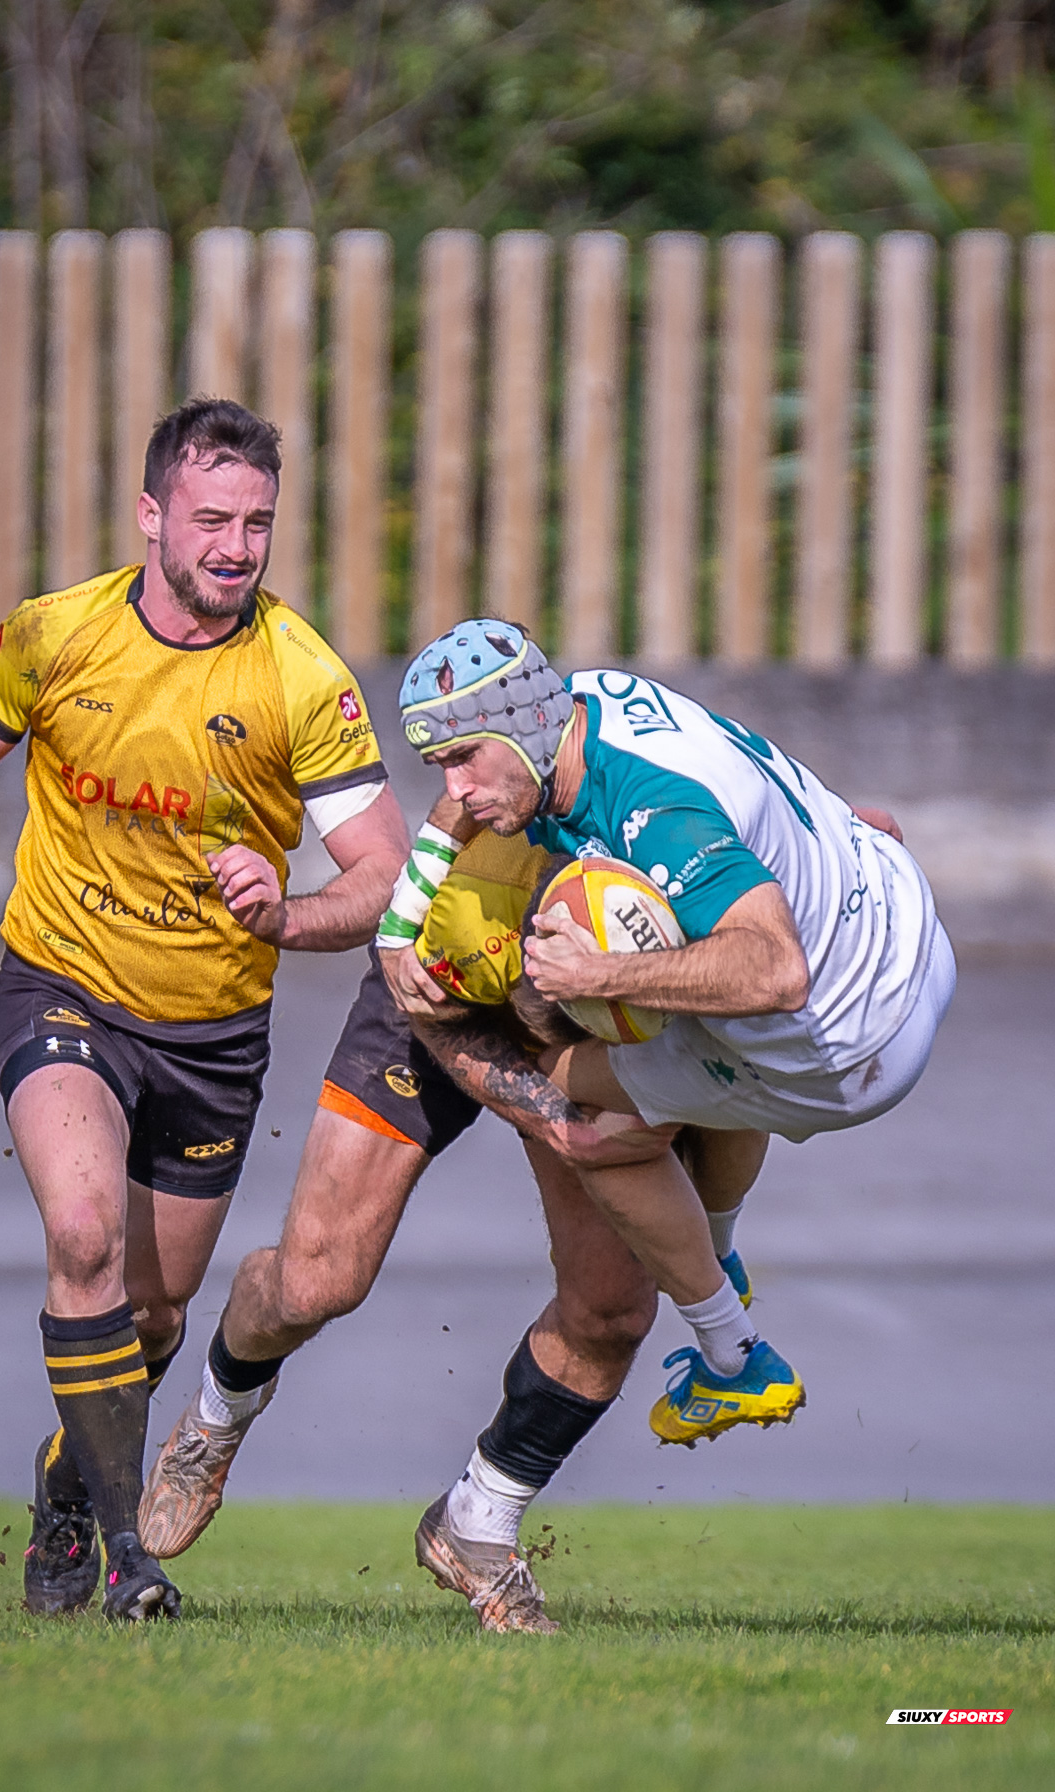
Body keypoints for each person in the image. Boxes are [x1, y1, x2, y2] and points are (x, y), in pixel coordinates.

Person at [0, 399, 410, 1622]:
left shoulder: (299, 675)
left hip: (215, 1036)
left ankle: (70, 1487)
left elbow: (386, 875)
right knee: (81, 1234)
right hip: (61, 988)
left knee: (153, 1314)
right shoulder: (56, 636)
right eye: (213, 517)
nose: (237, 544)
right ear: (153, 515)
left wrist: (287, 913)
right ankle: (127, 1557)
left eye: (258, 523)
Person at [138, 823, 791, 1632]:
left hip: (565, 1015)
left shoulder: (685, 862)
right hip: (434, 1005)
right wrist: (555, 1120)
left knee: (615, 1311)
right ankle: (218, 1410)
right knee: (316, 1282)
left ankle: (478, 1523)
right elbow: (450, 1026)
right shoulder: (463, 917)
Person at [383, 619, 954, 1446]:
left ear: (522, 728)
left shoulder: (650, 809)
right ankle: (719, 1252)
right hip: (899, 903)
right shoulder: (580, 708)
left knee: (582, 1115)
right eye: (441, 766)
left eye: (463, 759)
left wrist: (600, 977)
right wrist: (400, 925)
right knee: (677, 1012)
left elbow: (774, 972)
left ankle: (733, 1360)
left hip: (860, 1040)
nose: (457, 790)